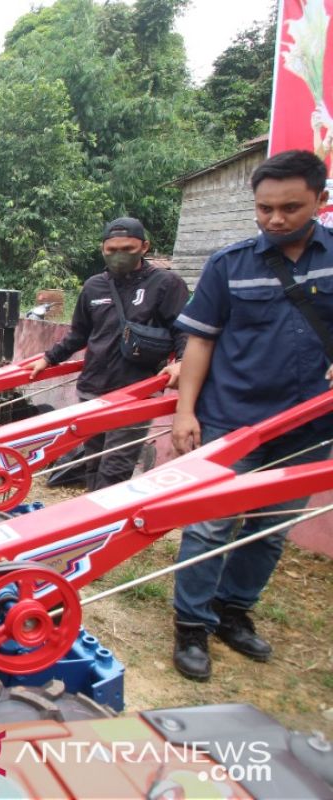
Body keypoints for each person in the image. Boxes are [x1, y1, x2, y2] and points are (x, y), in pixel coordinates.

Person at [170, 149, 333, 682]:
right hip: (232, 418)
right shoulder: (228, 264)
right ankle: (191, 623)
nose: (275, 219)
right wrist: (185, 412)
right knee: (211, 524)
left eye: (290, 207)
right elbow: (200, 343)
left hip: (310, 426)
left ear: (320, 201)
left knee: (270, 528)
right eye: (265, 209)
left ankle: (232, 611)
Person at [29, 217, 189, 489]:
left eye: (127, 249)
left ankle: (104, 523)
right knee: (91, 462)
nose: (119, 256)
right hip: (92, 388)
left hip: (135, 392)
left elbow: (183, 330)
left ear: (144, 247)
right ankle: (93, 517)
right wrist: (48, 359)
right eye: (111, 250)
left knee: (115, 467)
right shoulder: (94, 286)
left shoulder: (165, 284)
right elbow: (78, 334)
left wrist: (183, 362)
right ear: (103, 248)